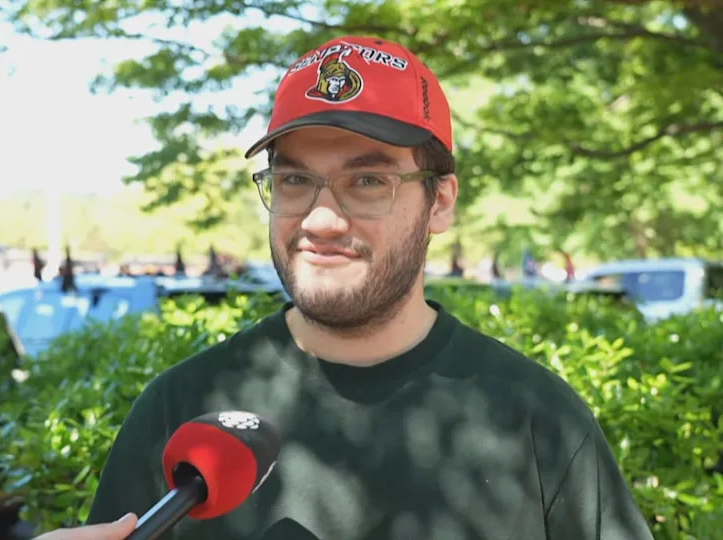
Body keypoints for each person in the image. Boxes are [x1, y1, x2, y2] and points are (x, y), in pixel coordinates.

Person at [35, 35, 653, 540]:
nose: (320, 219)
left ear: (440, 202)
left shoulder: (538, 419)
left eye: (367, 183)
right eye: (295, 180)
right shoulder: (179, 410)